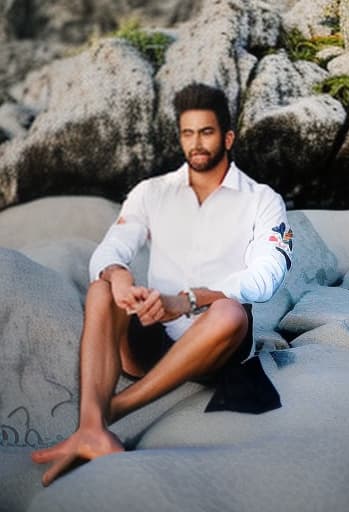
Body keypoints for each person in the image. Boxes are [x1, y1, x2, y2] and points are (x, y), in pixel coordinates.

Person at [31, 83, 293, 486]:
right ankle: (91, 427)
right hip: (150, 338)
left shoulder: (262, 199)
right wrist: (119, 277)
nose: (196, 143)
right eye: (187, 133)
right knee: (103, 288)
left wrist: (188, 300)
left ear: (227, 137)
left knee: (229, 312)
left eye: (206, 132)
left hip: (215, 345)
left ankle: (112, 409)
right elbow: (111, 248)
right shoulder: (152, 192)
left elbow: (267, 275)